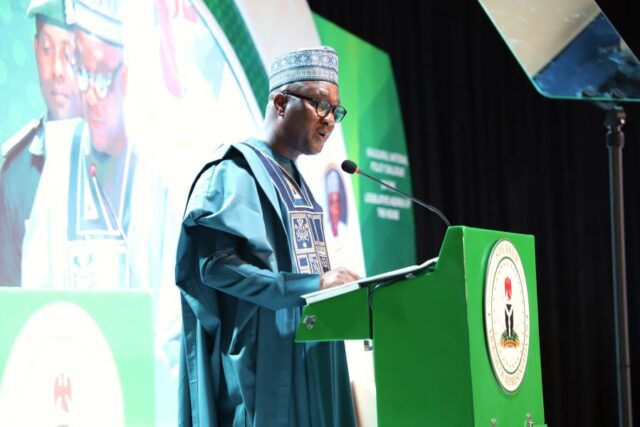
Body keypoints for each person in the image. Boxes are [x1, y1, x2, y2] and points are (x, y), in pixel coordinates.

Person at [176, 46, 359, 426]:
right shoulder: (234, 171)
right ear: (280, 102)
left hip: (310, 365)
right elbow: (213, 268)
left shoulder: (296, 181)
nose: (329, 120)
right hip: (263, 379)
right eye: (320, 105)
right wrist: (310, 285)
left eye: (335, 111)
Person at [0, 0, 81, 286]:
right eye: (47, 49)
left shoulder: (121, 161)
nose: (57, 69)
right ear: (35, 50)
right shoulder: (16, 172)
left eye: (69, 53)